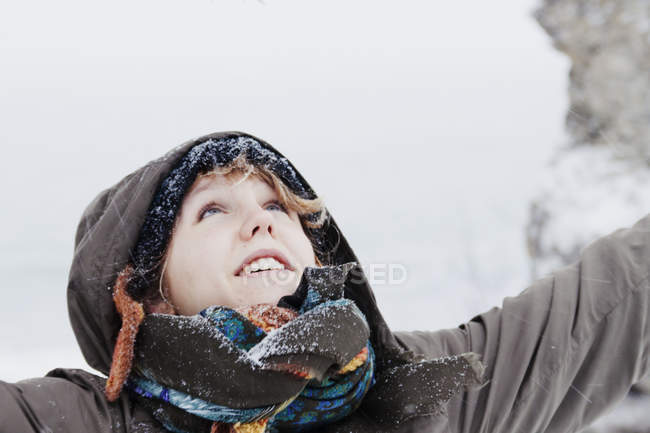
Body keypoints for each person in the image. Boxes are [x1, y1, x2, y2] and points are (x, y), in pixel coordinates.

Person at [1, 131, 649, 433]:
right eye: (213, 209)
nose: (259, 221)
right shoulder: (81, 421)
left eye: (278, 206)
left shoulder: (419, 393)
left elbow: (620, 296)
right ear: (145, 290)